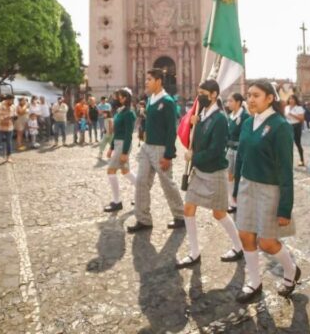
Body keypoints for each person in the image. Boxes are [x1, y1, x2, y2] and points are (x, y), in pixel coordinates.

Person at [232, 80, 299, 303]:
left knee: (267, 243)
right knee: (245, 236)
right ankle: (254, 282)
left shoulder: (280, 126)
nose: (250, 99)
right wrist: (236, 189)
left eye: (256, 95)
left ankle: (291, 270)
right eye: (249, 95)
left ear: (270, 98)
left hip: (270, 189)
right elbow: (241, 157)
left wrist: (285, 207)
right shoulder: (247, 123)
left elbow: (286, 168)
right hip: (247, 186)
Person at [175, 80, 244, 270]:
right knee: (188, 208)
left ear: (214, 95)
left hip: (214, 172)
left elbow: (216, 150)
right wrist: (192, 125)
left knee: (219, 213)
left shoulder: (220, 119)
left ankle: (239, 247)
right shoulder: (201, 115)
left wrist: (194, 157)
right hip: (199, 172)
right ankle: (194, 252)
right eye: (198, 92)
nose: (200, 96)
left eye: (203, 93)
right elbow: (196, 141)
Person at [126, 69, 185, 233]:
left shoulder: (167, 101)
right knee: (141, 182)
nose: (146, 82)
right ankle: (143, 219)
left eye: (149, 79)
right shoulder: (150, 99)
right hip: (147, 147)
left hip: (161, 149)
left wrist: (168, 155)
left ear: (158, 81)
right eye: (146, 79)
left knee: (167, 183)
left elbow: (172, 130)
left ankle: (180, 216)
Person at [103, 89, 137, 212]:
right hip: (118, 143)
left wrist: (124, 152)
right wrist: (111, 147)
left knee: (111, 170)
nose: (114, 99)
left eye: (117, 96)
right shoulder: (119, 112)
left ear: (124, 98)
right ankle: (141, 194)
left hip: (123, 145)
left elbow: (128, 134)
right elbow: (116, 132)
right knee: (126, 172)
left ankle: (117, 202)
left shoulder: (129, 113)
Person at [226, 92, 251, 213]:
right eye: (228, 101)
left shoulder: (245, 116)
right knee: (229, 175)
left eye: (231, 101)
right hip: (230, 150)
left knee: (239, 176)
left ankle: (239, 200)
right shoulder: (230, 116)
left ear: (238, 102)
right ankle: (232, 201)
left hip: (239, 151)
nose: (228, 103)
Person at [0, 94, 16, 164]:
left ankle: (8, 157)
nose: (12, 102)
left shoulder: (13, 106)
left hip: (9, 127)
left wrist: (14, 117)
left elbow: (15, 115)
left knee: (9, 143)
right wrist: (4, 117)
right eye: (11, 100)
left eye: (13, 100)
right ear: (7, 99)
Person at [284, 94, 306, 166]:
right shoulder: (286, 107)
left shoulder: (299, 108)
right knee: (288, 144)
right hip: (288, 126)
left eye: (293, 99)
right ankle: (289, 161)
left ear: (295, 100)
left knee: (297, 143)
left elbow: (302, 119)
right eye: (290, 99)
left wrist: (292, 114)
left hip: (296, 126)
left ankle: (302, 160)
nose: (291, 100)